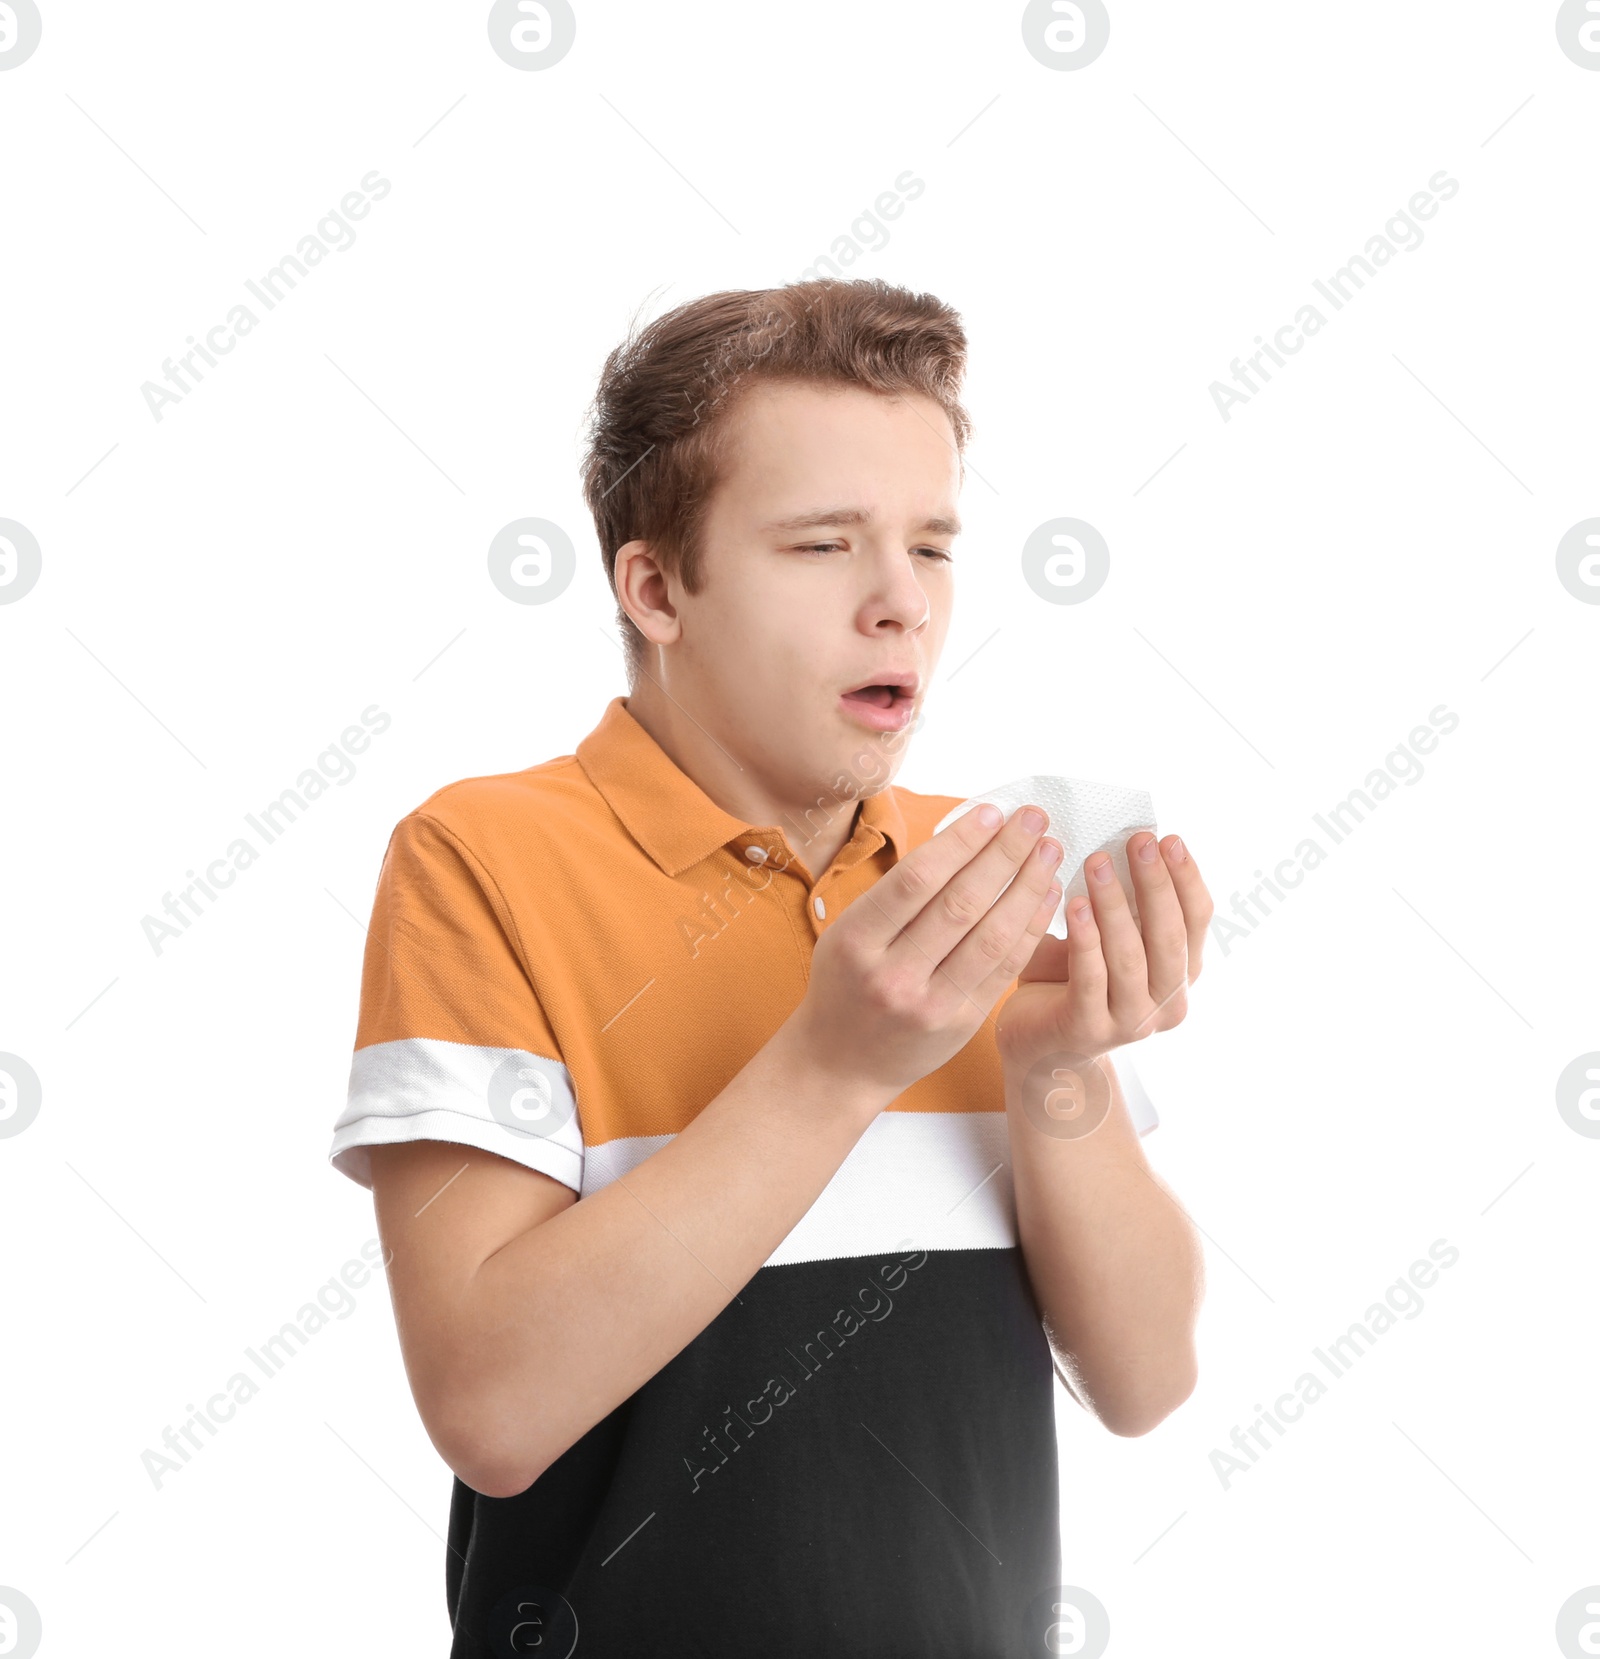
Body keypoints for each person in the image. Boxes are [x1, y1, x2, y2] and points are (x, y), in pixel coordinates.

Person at [327, 277, 1211, 1658]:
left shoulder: (969, 878)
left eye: (931, 546)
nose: (899, 605)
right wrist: (833, 1066)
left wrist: (1054, 1070)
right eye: (822, 546)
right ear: (657, 586)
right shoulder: (480, 858)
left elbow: (1149, 1381)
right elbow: (492, 1413)